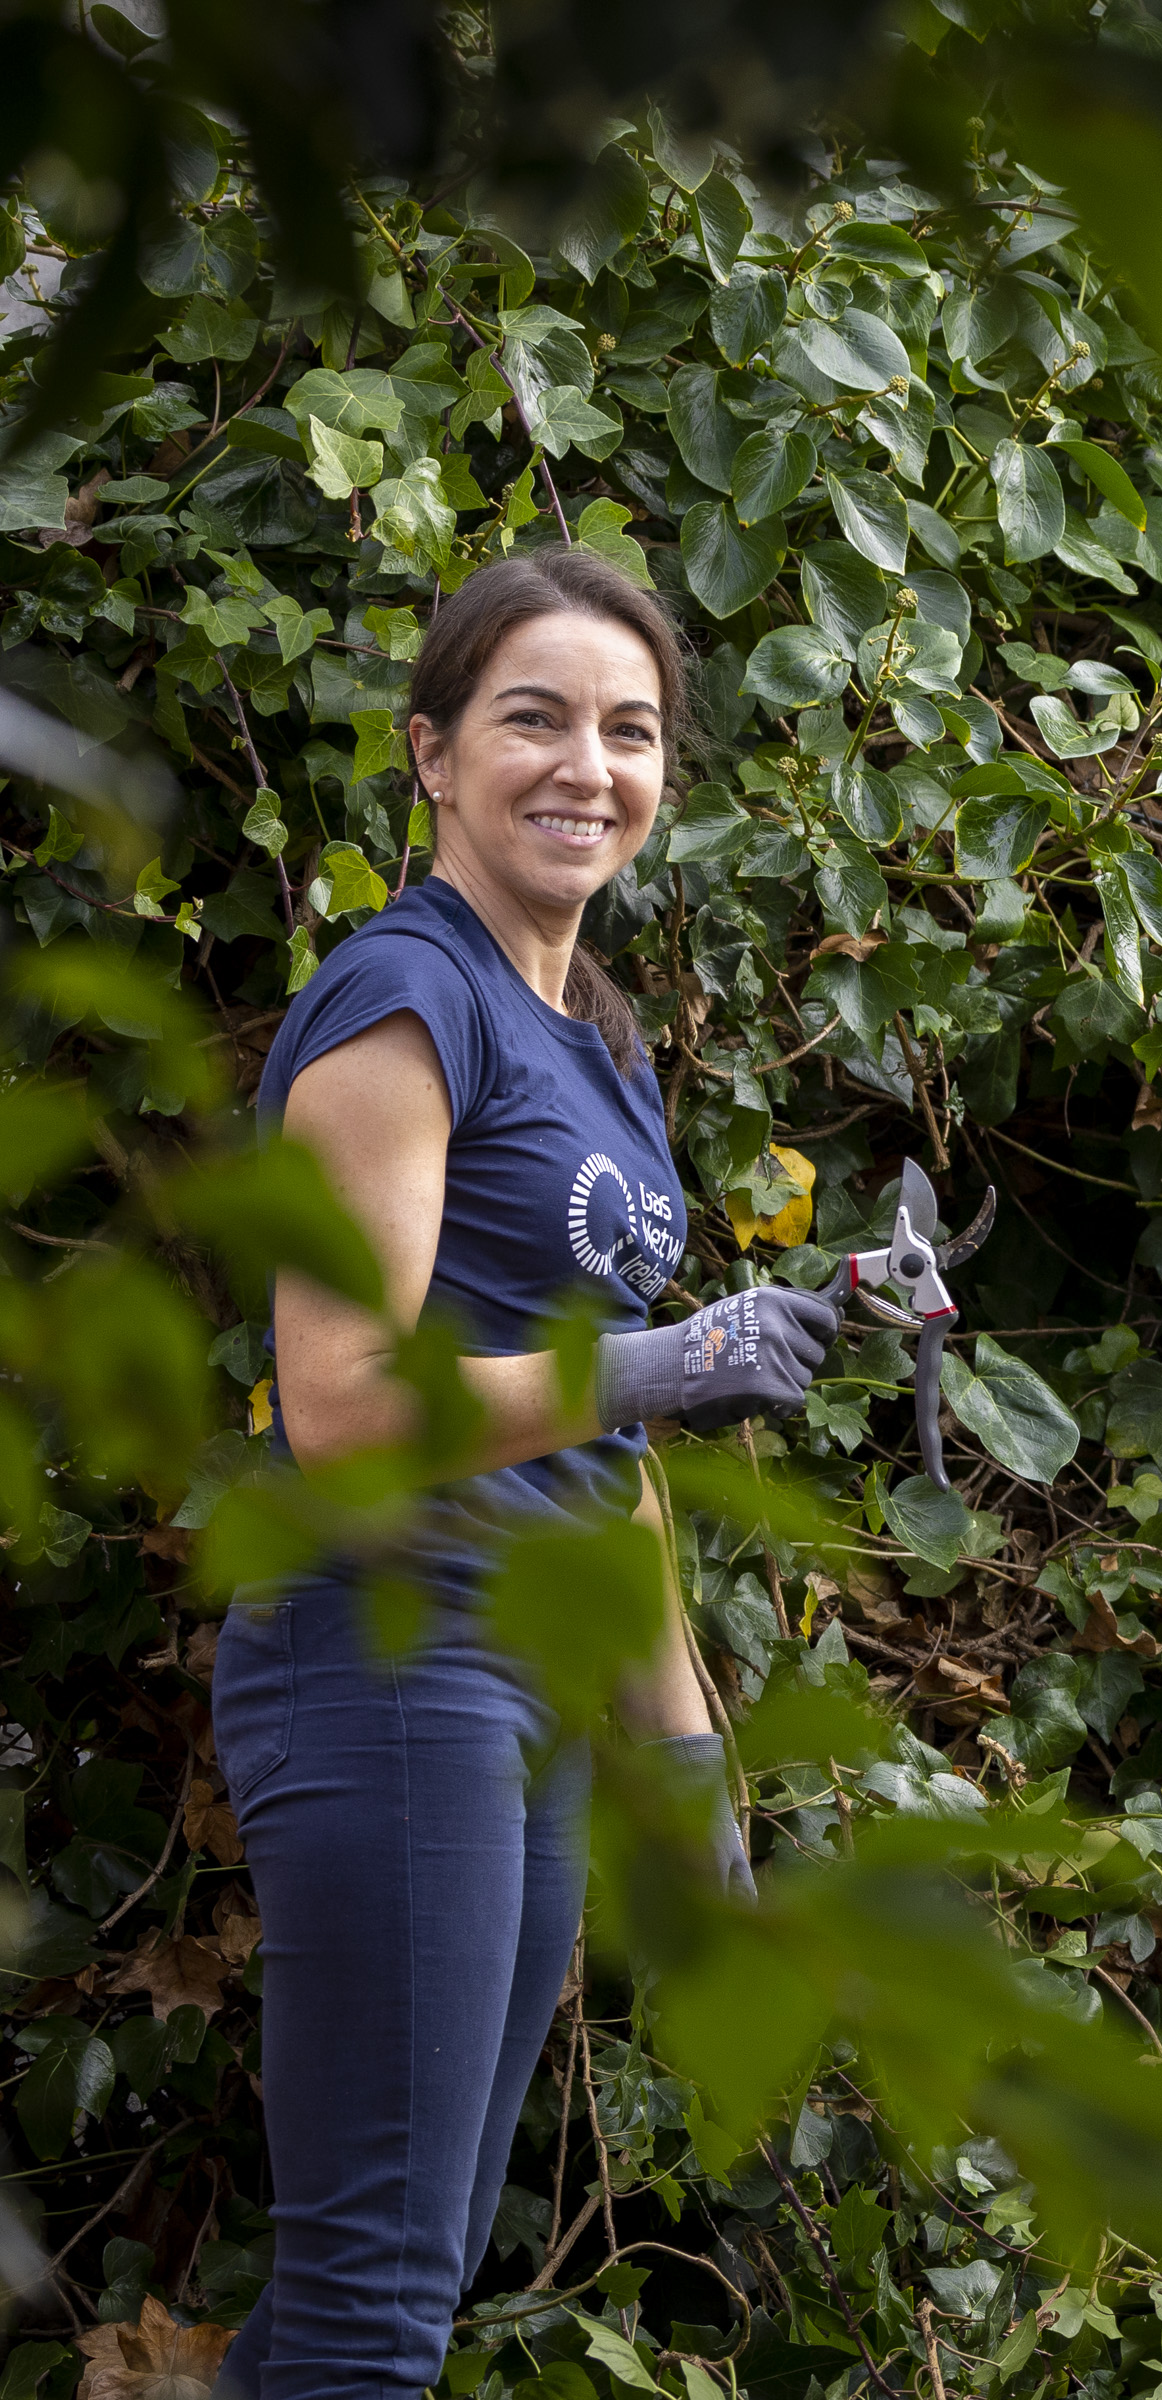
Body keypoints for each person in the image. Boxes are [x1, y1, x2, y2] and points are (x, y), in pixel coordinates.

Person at [216, 547, 835, 2400]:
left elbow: (609, 1450)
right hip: (393, 1652)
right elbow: (336, 1402)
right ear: (432, 755)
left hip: (537, 1687)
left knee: (412, 2263)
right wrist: (660, 1354)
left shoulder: (594, 1040)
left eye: (631, 731)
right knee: (372, 2301)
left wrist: (689, 1766)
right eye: (534, 719)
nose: (588, 766)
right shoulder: (405, 1003)